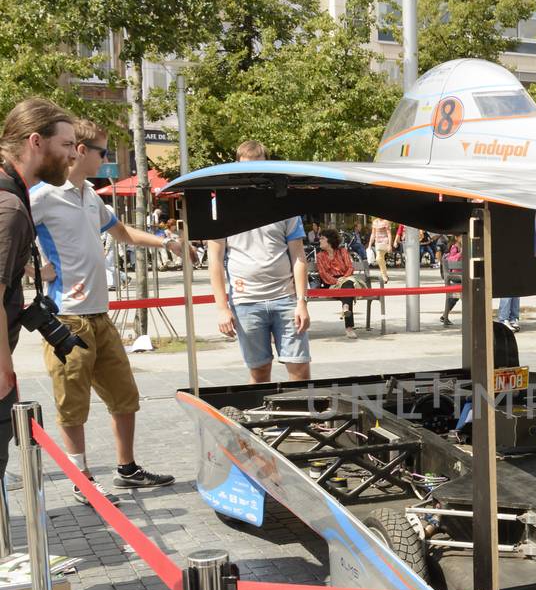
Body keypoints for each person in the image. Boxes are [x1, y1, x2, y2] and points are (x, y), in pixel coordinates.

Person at [30, 119, 181, 499]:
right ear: (79, 151)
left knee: (124, 396)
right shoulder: (43, 195)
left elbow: (122, 232)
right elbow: (8, 236)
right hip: (67, 317)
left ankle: (126, 468)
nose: (107, 159)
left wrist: (166, 243)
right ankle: (81, 481)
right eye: (102, 151)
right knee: (72, 402)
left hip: (100, 314)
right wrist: (33, 269)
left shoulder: (90, 196)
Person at [0, 99, 79, 487]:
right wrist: (3, 371)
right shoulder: (10, 207)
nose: (72, 155)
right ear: (35, 141)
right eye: (65, 145)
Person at [208, 139, 310, 384]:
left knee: (299, 368)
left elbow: (298, 255)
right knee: (259, 371)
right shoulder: (220, 207)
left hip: (284, 299)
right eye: (246, 170)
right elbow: (215, 258)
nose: (253, 177)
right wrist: (222, 307)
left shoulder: (284, 204)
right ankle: (261, 420)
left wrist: (301, 301)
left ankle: (301, 419)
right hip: (246, 301)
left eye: (259, 170)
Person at [316, 228, 358, 338]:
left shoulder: (342, 251)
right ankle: (349, 328)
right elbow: (323, 274)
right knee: (348, 290)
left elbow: (350, 267)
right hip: (329, 283)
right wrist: (336, 281)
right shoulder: (320, 256)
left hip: (345, 279)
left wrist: (343, 278)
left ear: (329, 240)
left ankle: (345, 308)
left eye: (322, 239)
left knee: (348, 286)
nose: (319, 240)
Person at [440, 239, 462, 326]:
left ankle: (444, 316)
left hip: (463, 275)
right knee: (457, 293)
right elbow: (451, 259)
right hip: (456, 275)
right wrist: (461, 253)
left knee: (455, 295)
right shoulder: (454, 247)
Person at [368, 216, 392, 286]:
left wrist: (390, 245)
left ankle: (384, 275)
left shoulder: (386, 222)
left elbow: (389, 233)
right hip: (377, 243)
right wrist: (370, 244)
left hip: (385, 242)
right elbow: (373, 234)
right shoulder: (375, 222)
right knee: (379, 258)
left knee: (380, 258)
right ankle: (384, 275)